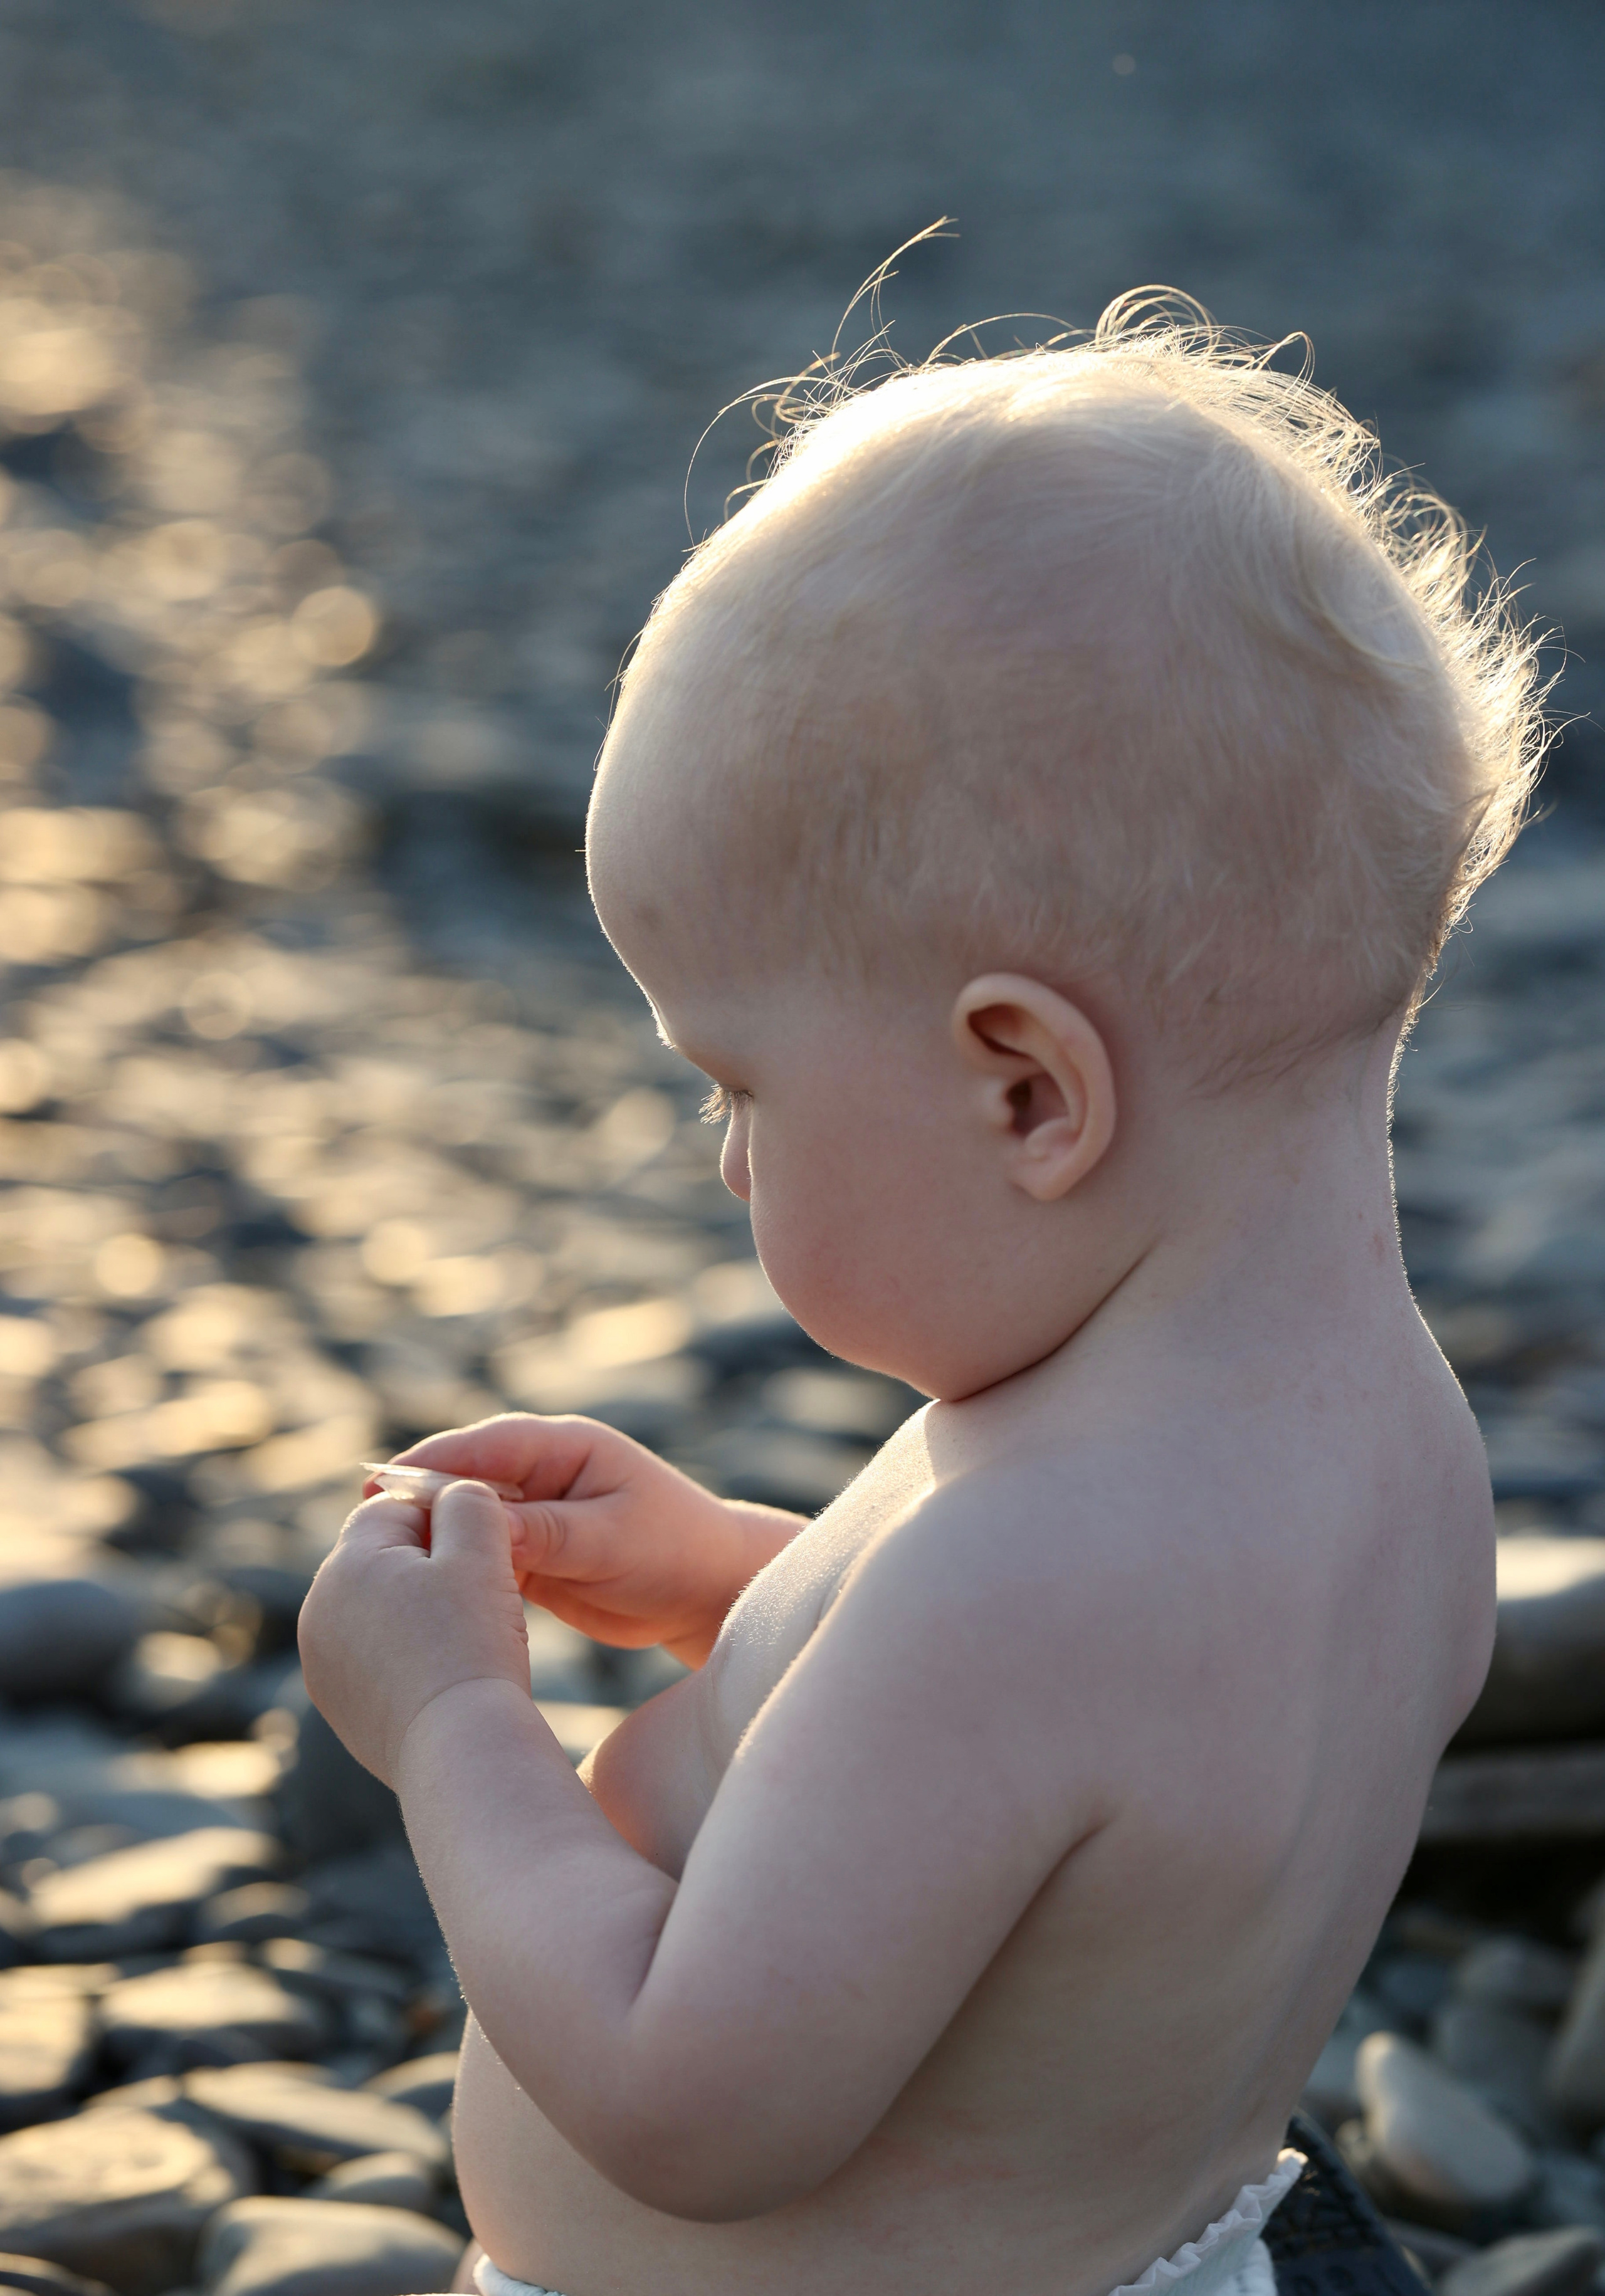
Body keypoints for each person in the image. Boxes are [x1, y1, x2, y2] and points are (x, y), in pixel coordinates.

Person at [298, 290, 1545, 2296]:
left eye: (738, 1084)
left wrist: (453, 1723)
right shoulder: (1388, 1461)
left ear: (1027, 1088)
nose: (723, 1157)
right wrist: (729, 1578)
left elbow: (684, 2098)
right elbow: (1071, 1789)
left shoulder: (1038, 1571)